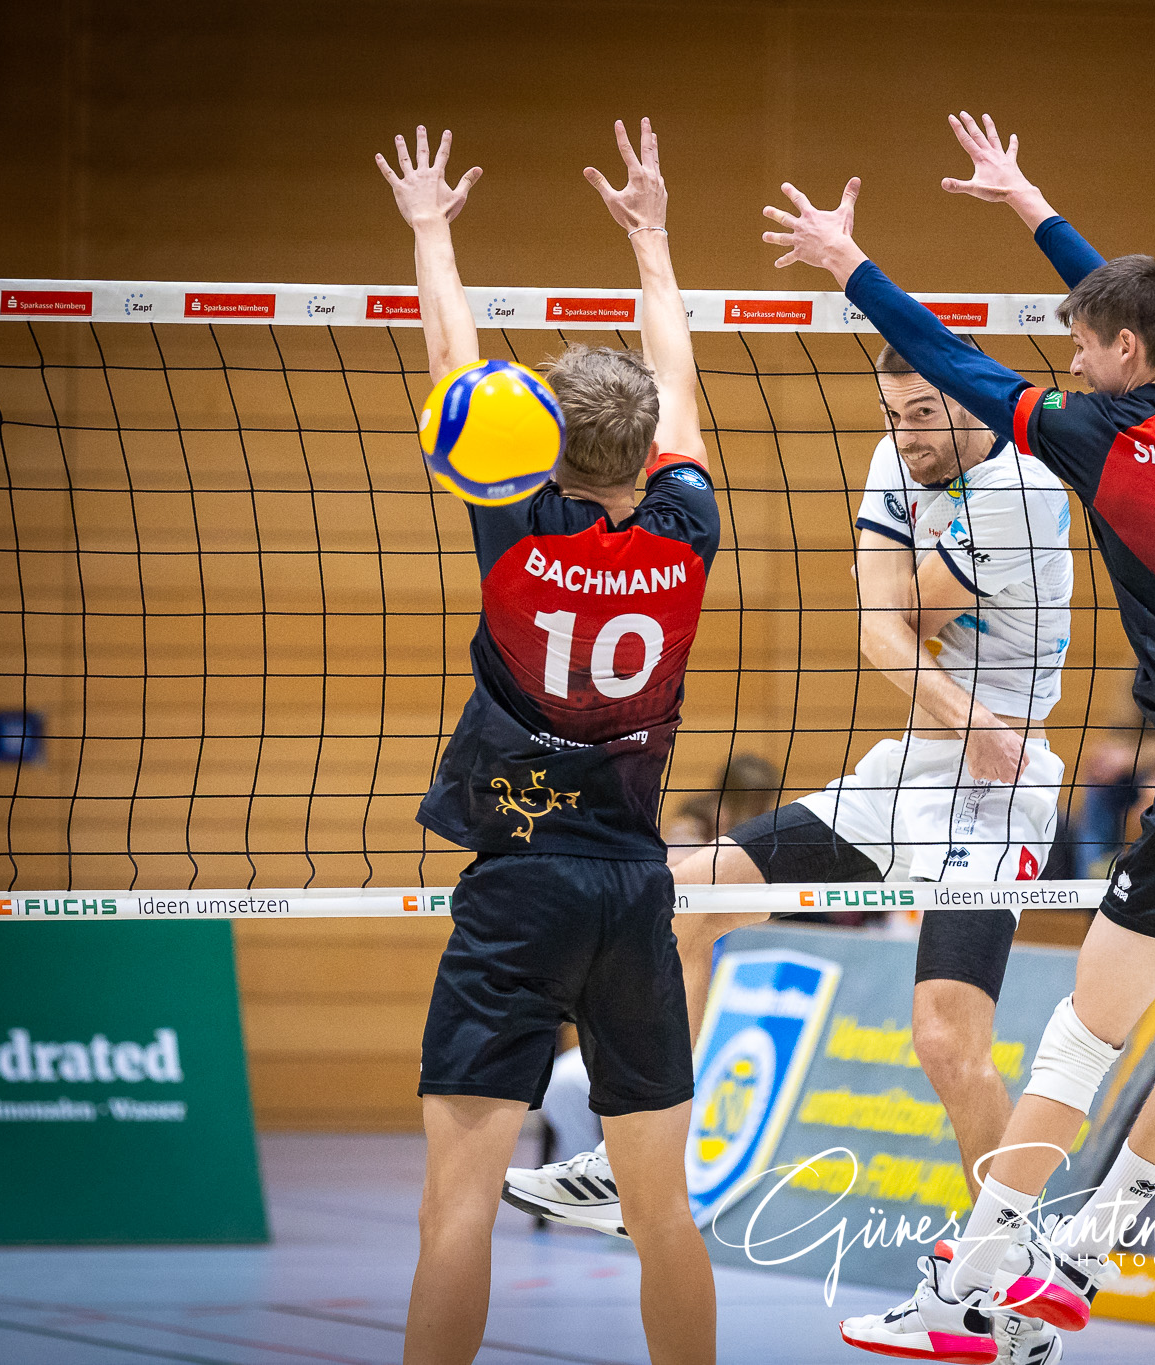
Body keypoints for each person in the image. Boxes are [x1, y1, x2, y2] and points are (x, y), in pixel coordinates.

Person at [764, 112, 1155, 1360]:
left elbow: (944, 356)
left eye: (1082, 345)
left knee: (1081, 1035)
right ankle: (1084, 1256)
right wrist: (1026, 202)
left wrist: (847, 264)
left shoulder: (1095, 436)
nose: (1069, 358)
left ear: (1121, 352)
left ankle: (971, 1280)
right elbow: (1134, 307)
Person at [506, 335, 1077, 1359]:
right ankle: (634, 1175)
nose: (905, 435)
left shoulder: (1025, 489)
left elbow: (904, 613)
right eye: (893, 414)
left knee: (947, 1040)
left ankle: (1005, 1292)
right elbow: (876, 632)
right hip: (913, 762)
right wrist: (922, 658)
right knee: (679, 901)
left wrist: (912, 634)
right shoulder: (894, 455)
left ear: (973, 402)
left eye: (924, 415)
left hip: (994, 788)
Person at [382, 121, 719, 1365]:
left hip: (519, 888)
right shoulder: (687, 527)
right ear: (646, 451)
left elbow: (453, 369)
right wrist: (653, 239)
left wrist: (432, 231)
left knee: (455, 1211)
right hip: (634, 889)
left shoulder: (516, 524)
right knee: (660, 1214)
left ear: (537, 447)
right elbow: (675, 382)